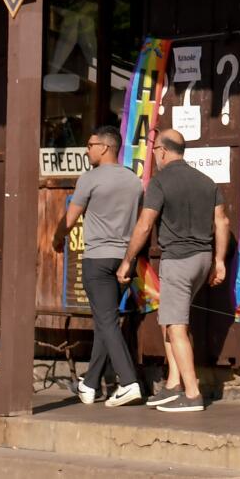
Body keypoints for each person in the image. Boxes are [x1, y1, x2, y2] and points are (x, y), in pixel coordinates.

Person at [118, 129, 230, 413]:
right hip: (203, 259)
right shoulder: (206, 181)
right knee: (171, 320)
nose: (154, 154)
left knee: (176, 326)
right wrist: (219, 261)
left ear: (164, 151)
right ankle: (172, 385)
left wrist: (128, 259)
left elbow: (144, 224)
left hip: (178, 261)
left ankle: (192, 394)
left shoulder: (160, 182)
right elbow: (223, 222)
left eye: (155, 149)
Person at [52, 123, 143, 407]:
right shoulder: (133, 180)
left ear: (105, 147)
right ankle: (89, 384)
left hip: (98, 258)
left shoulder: (89, 179)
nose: (87, 149)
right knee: (108, 321)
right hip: (124, 260)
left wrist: (56, 240)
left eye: (90, 145)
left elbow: (70, 219)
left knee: (105, 321)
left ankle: (128, 382)